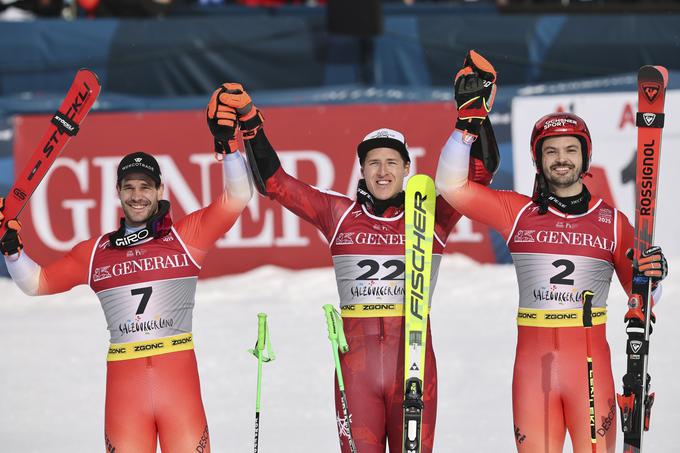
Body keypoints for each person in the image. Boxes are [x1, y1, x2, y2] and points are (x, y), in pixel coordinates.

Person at [206, 82, 499, 453]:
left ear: (407, 168)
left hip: (412, 367)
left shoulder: (431, 215)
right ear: (361, 168)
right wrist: (251, 125)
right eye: (373, 162)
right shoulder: (339, 215)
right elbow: (276, 185)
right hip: (355, 372)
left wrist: (475, 116)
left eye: (392, 162)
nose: (382, 171)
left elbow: (481, 174)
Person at [435, 50, 669, 452]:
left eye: (570, 150)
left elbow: (643, 296)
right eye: (551, 151)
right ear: (538, 161)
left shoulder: (613, 223)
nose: (562, 160)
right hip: (533, 374)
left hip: (591, 372)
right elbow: (451, 187)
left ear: (585, 157)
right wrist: (466, 125)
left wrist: (655, 276)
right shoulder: (517, 212)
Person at [0, 108, 253, 452]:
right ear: (118, 190)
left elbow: (237, 197)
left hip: (179, 388)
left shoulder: (186, 237)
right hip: (125, 392)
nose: (137, 196)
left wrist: (228, 146)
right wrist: (13, 252)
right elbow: (36, 283)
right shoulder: (95, 251)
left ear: (160, 189)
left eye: (146, 187)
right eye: (129, 187)